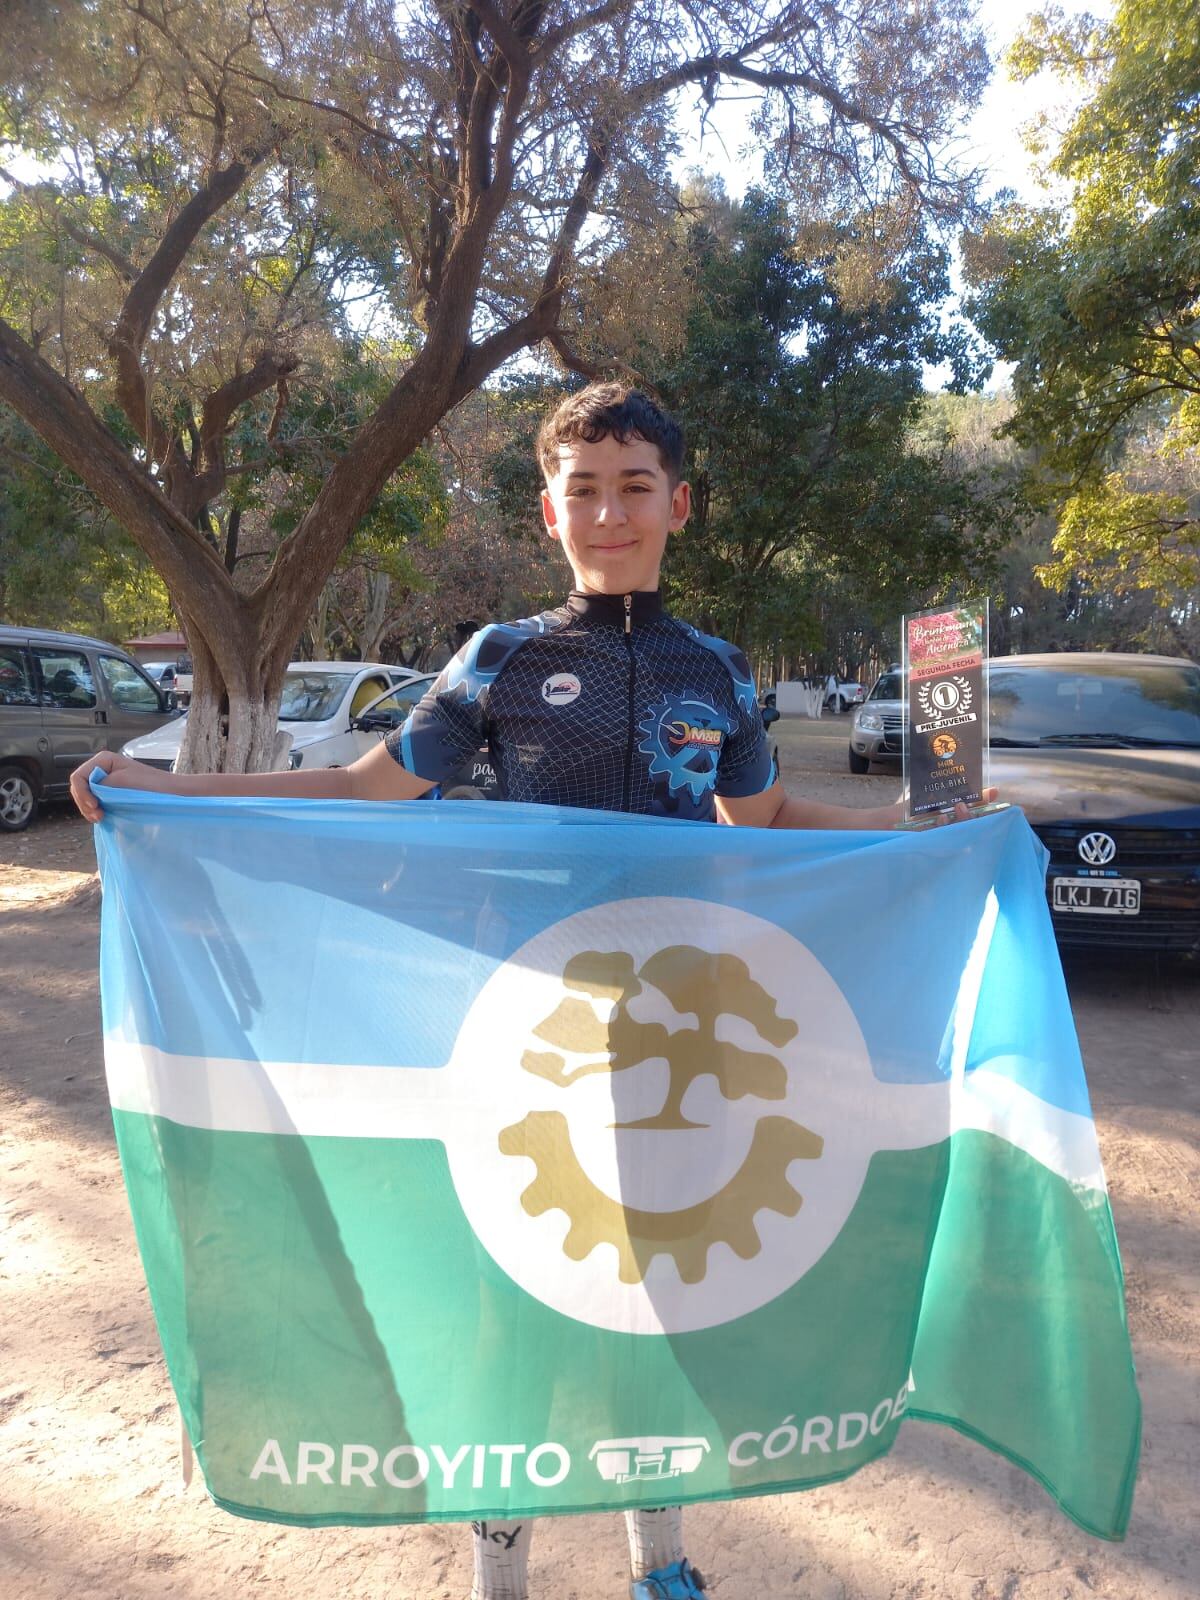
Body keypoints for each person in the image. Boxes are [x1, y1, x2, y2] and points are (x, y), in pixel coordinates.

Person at [72, 383, 988, 1600]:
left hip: (675, 1029)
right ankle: (498, 1574)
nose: (610, 510)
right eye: (585, 486)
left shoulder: (713, 669)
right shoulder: (501, 659)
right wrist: (160, 791)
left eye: (636, 485)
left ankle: (658, 1559)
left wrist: (920, 826)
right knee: (513, 1292)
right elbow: (363, 792)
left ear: (680, 504)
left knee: (655, 1290)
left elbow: (763, 821)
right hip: (519, 1026)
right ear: (547, 506)